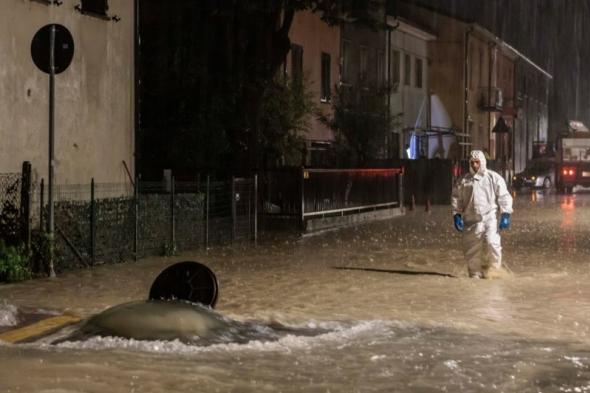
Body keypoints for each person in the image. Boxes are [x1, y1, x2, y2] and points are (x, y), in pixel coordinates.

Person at [451, 150, 513, 278]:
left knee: (492, 243)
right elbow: (456, 198)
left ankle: (494, 271)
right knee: (472, 248)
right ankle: (475, 273)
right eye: (472, 162)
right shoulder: (463, 180)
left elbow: (504, 196)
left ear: (482, 162)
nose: (474, 165)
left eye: (477, 162)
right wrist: (456, 215)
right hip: (470, 219)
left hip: (489, 217)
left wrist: (505, 214)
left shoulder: (493, 177)